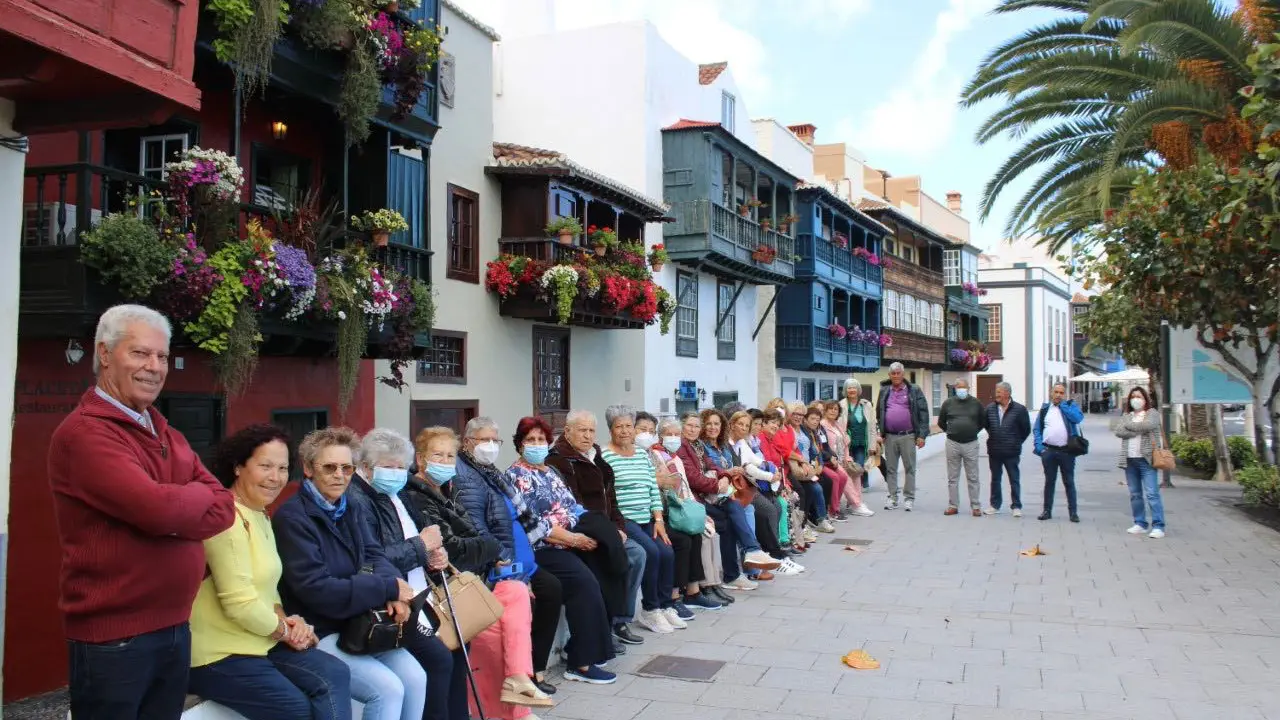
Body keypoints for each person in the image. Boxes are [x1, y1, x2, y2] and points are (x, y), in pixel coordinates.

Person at [49, 304, 236, 718]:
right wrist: (179, 502)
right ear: (104, 354)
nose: (154, 367)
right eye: (139, 353)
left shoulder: (162, 428)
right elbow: (156, 511)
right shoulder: (85, 434)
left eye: (162, 356)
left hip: (172, 628)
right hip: (115, 640)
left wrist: (175, 501)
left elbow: (223, 506)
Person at [189, 423, 352, 720]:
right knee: (293, 709)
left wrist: (289, 620)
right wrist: (285, 632)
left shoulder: (260, 514)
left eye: (282, 468)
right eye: (265, 466)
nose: (275, 478)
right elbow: (239, 603)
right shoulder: (226, 518)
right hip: (218, 654)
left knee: (335, 673)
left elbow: (267, 588)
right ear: (238, 466)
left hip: (259, 641)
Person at [273, 427, 428, 720]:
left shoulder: (350, 507)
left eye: (347, 468)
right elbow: (317, 589)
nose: (339, 475)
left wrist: (392, 586)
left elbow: (374, 555)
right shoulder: (293, 518)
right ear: (308, 469)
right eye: (329, 467)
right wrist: (385, 589)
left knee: (417, 678)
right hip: (321, 628)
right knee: (387, 690)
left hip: (361, 621)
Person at [408, 427, 554, 717]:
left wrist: (487, 549)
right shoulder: (417, 496)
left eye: (450, 456)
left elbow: (475, 536)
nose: (445, 461)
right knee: (496, 622)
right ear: (422, 460)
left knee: (514, 593)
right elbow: (454, 547)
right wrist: (489, 549)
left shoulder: (448, 490)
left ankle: (517, 681)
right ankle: (511, 704)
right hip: (446, 587)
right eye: (438, 455)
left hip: (472, 576)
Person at [345, 428, 473, 720]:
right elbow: (370, 559)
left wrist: (432, 553)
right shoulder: (360, 501)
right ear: (366, 468)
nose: (397, 473)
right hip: (390, 603)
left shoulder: (393, 494)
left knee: (455, 648)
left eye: (401, 467)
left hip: (418, 592)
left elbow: (415, 539)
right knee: (437, 658)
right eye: (388, 467)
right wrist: (420, 546)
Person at [452, 417, 562, 696]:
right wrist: (513, 570)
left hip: (520, 560)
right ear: (467, 443)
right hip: (496, 566)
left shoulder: (489, 471)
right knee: (527, 598)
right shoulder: (467, 477)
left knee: (553, 589)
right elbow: (480, 529)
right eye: (483, 440)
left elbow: (520, 518)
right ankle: (521, 678)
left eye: (494, 441)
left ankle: (532, 672)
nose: (490, 446)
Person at [505, 417, 617, 685]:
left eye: (541, 440)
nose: (536, 445)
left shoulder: (550, 472)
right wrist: (573, 539)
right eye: (530, 440)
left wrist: (588, 529)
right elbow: (533, 523)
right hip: (544, 547)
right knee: (584, 583)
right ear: (520, 445)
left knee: (606, 568)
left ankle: (604, 639)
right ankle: (581, 662)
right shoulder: (515, 476)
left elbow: (571, 506)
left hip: (569, 538)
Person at [546, 410, 646, 649]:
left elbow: (611, 499)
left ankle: (619, 620)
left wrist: (618, 527)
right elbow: (573, 507)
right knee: (611, 560)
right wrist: (608, 534)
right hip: (584, 530)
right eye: (582, 430)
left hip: (608, 527)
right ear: (567, 431)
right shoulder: (560, 460)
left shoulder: (595, 456)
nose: (587, 435)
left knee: (638, 554)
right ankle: (604, 625)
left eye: (591, 430)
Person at [600, 406, 688, 634]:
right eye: (619, 426)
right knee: (651, 551)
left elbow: (652, 488)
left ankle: (666, 605)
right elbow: (606, 494)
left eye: (628, 426)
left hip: (647, 517)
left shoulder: (641, 454)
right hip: (624, 519)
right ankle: (650, 609)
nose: (624, 431)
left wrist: (659, 520)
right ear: (610, 429)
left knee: (667, 550)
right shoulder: (605, 455)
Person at [675, 412, 780, 591]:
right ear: (682, 427)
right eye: (690, 426)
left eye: (696, 426)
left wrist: (723, 477)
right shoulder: (683, 446)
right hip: (696, 499)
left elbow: (713, 467)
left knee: (739, 511)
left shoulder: (698, 445)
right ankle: (749, 556)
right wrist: (719, 483)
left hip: (715, 493)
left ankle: (745, 562)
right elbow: (693, 478)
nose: (694, 429)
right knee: (735, 513)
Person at [640, 415, 724, 609]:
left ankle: (694, 591)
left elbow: (681, 486)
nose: (673, 438)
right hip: (664, 512)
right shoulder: (657, 454)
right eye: (668, 434)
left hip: (677, 509)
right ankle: (674, 595)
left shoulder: (675, 456)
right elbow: (662, 486)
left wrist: (698, 511)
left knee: (697, 533)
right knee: (683, 540)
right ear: (660, 437)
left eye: (676, 434)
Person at [1111, 387, 1167, 538]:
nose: (1136, 399)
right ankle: (1140, 523)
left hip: (1147, 459)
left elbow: (1148, 425)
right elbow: (1118, 431)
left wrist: (1129, 426)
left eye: (1139, 396)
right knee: (1135, 494)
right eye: (1133, 396)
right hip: (1129, 460)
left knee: (1152, 494)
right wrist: (1137, 429)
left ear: (1145, 399)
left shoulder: (1152, 413)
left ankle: (1158, 526)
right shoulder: (1127, 415)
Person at [876, 362, 931, 511]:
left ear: (903, 374)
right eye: (893, 373)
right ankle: (892, 497)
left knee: (910, 468)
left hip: (908, 435)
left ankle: (909, 498)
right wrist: (881, 432)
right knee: (891, 469)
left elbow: (923, 413)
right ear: (889, 375)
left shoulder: (914, 390)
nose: (895, 376)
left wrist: (922, 435)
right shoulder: (884, 390)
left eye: (898, 373)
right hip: (890, 436)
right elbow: (879, 412)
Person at [1033, 383, 1086, 522]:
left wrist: (1063, 406)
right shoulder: (1045, 409)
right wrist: (1039, 447)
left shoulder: (1069, 406)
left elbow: (1078, 418)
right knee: (1049, 482)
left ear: (1065, 394)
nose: (1058, 395)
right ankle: (1047, 511)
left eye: (1061, 393)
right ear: (1051, 393)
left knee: (1069, 482)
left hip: (1067, 451)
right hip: (1049, 450)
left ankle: (1073, 512)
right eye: (1056, 392)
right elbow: (1037, 428)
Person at [937, 379, 987, 517]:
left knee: (973, 476)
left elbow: (983, 421)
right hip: (953, 443)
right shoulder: (948, 403)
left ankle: (976, 506)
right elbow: (941, 422)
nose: (961, 390)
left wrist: (972, 431)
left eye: (963, 387)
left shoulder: (976, 403)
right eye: (958, 387)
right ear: (955, 388)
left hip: (971, 443)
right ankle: (953, 505)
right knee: (953, 477)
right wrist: (951, 430)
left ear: (968, 388)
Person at [983, 382, 1031, 516]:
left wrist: (1016, 441)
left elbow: (1026, 429)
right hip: (995, 450)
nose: (997, 394)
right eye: (996, 391)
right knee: (995, 479)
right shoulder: (990, 408)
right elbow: (986, 426)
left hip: (1012, 451)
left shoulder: (1019, 409)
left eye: (1000, 391)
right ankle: (994, 505)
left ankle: (1016, 506)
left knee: (1014, 479)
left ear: (1008, 393)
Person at [821, 401, 874, 517]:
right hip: (830, 461)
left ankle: (856, 503)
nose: (833, 411)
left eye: (836, 409)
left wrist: (847, 458)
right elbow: (824, 447)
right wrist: (835, 459)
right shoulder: (822, 425)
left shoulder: (838, 425)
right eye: (830, 409)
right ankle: (856, 504)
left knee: (856, 473)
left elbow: (845, 444)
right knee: (846, 477)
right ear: (825, 411)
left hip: (842, 458)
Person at [837, 380, 881, 490]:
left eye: (854, 388)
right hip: (847, 443)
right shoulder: (841, 405)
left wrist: (872, 445)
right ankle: (853, 489)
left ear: (858, 390)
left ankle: (861, 486)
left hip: (862, 442)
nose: (852, 390)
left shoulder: (867, 405)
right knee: (848, 467)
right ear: (845, 390)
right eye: (849, 388)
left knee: (860, 465)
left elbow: (872, 427)